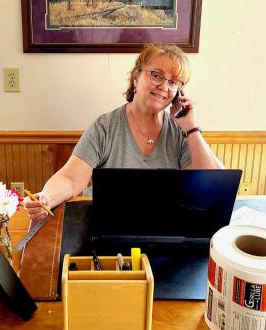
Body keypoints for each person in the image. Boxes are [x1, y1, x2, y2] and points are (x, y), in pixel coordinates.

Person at [25, 43, 224, 221]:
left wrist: (191, 128)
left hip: (164, 228)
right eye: (156, 75)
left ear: (179, 92)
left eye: (173, 82)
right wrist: (47, 198)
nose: (164, 86)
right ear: (136, 78)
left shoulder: (182, 132)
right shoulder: (104, 127)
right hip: (109, 226)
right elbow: (70, 178)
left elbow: (215, 186)